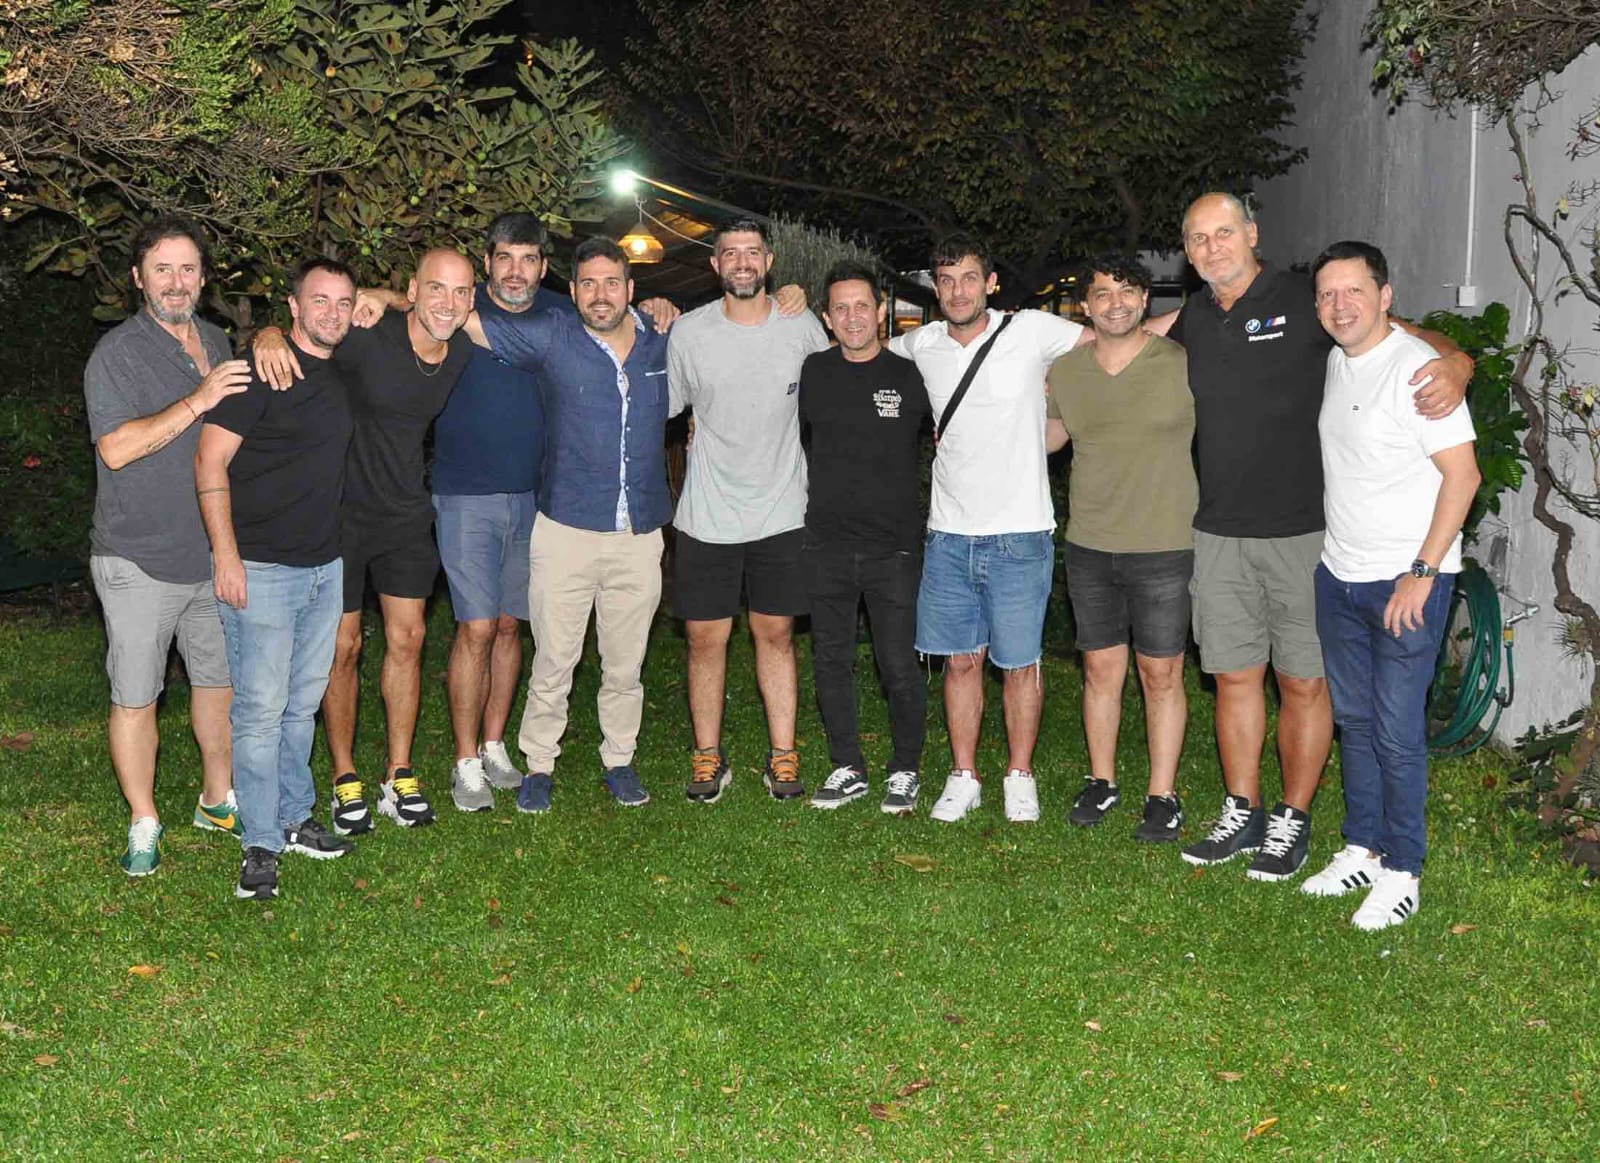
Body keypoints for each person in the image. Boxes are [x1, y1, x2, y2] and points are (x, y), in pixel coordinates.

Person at [1149, 193, 1471, 880]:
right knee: (1233, 676)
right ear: (1187, 251)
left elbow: (1409, 337)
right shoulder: (1195, 316)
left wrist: (1458, 363)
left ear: (1252, 234)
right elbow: (1129, 337)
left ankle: (1293, 818)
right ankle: (1243, 809)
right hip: (1219, 531)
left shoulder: (1308, 297)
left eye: (1224, 232)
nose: (1212, 247)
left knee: (1303, 682)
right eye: (1197, 238)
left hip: (1307, 534)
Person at [255, 249, 477, 833]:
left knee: (409, 639)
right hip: (341, 515)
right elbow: (310, 331)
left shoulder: (461, 350)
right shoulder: (367, 336)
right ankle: (344, 775)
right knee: (343, 647)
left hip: (405, 513)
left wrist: (391, 295)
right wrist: (267, 334)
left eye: (460, 292)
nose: (447, 303)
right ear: (413, 290)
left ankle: (399, 773)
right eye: (435, 289)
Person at [1300, 241, 1478, 929]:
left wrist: (1422, 572)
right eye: (1327, 294)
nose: (1339, 305)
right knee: (1356, 722)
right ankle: (1363, 847)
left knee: (1398, 733)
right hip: (1340, 576)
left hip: (1405, 583)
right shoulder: (1338, 361)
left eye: (1354, 290)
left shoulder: (1418, 373)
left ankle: (1404, 869)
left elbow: (1463, 477)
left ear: (1385, 295)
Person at [462, 237, 672, 810]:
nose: (601, 295)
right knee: (554, 660)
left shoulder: (662, 340)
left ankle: (620, 759)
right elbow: (457, 317)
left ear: (631, 289)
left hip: (639, 534)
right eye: (589, 284)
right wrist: (384, 298)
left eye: (612, 283)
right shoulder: (552, 336)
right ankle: (539, 763)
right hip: (565, 532)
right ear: (573, 291)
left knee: (625, 664)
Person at [887, 232, 1088, 824]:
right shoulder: (920, 343)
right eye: (946, 280)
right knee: (959, 661)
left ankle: (1019, 775)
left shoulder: (1031, 330)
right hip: (949, 535)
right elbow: (853, 347)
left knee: (1020, 664)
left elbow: (1116, 339)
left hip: (1021, 533)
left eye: (969, 278)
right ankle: (963, 775)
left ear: (991, 283)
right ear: (935, 287)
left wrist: (1060, 396)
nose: (957, 291)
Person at [84, 214, 252, 876]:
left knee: (218, 683)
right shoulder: (117, 354)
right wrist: (198, 399)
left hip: (211, 551)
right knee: (136, 694)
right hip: (137, 558)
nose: (176, 282)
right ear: (138, 278)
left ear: (203, 278)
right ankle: (143, 818)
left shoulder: (216, 339)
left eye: (188, 268)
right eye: (162, 269)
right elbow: (116, 448)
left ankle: (217, 799)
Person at [196, 258, 360, 900]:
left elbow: (408, 304)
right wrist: (226, 556)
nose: (332, 313)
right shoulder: (255, 372)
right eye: (319, 300)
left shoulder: (341, 369)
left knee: (301, 706)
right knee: (261, 713)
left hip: (324, 566)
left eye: (343, 302)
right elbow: (209, 461)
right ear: (292, 306)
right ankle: (260, 843)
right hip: (261, 569)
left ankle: (295, 818)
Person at [668, 218, 830, 804]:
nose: (742, 262)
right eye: (730, 253)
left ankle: (783, 756)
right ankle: (707, 755)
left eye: (752, 252)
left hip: (782, 510)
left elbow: (836, 395)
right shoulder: (688, 333)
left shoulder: (801, 325)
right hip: (707, 512)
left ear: (769, 261)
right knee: (704, 638)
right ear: (715, 265)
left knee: (776, 634)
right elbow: (665, 407)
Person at [1045, 256, 1195, 842]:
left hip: (1165, 543)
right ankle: (1101, 780)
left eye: (1128, 291)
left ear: (1145, 299)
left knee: (1162, 672)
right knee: (1100, 670)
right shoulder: (1066, 372)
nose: (1116, 303)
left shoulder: (1180, 362)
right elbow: (1048, 438)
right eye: (1103, 293)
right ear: (1085, 305)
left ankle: (1162, 794)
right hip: (1090, 544)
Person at [430, 214, 573, 810]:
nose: (516, 271)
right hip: (466, 493)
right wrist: (375, 297)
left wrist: (661, 307)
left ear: (543, 266)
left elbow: (621, 319)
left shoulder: (563, 314)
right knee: (477, 627)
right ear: (487, 262)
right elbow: (408, 302)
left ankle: (494, 744)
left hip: (537, 498)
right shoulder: (456, 311)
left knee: (513, 625)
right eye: (505, 258)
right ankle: (465, 760)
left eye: (529, 259)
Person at [799, 262, 930, 814]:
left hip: (893, 549)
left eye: (862, 306)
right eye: (841, 308)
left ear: (881, 312)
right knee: (831, 661)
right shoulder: (814, 371)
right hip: (825, 545)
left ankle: (906, 769)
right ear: (827, 318)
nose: (852, 317)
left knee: (897, 665)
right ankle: (847, 764)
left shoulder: (911, 376)